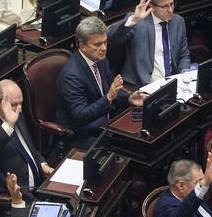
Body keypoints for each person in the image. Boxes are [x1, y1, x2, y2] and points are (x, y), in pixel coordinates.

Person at [56, 17, 146, 149]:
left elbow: (110, 91)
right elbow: (80, 116)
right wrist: (109, 97)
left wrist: (129, 98)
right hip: (84, 134)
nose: (103, 48)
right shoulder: (71, 75)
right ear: (83, 46)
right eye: (97, 44)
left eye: (105, 42)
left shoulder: (102, 60)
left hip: (106, 122)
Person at [0, 79, 53, 199]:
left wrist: (42, 165)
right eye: (14, 105)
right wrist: (8, 125)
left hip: (40, 186)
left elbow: (26, 146)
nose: (20, 109)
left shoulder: (15, 110)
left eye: (20, 103)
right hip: (16, 197)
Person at [107, 0, 190, 89]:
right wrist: (134, 19)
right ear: (152, 6)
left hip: (172, 84)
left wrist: (183, 76)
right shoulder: (137, 22)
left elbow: (184, 56)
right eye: (164, 6)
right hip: (141, 86)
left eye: (172, 4)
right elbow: (112, 37)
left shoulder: (178, 22)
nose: (170, 10)